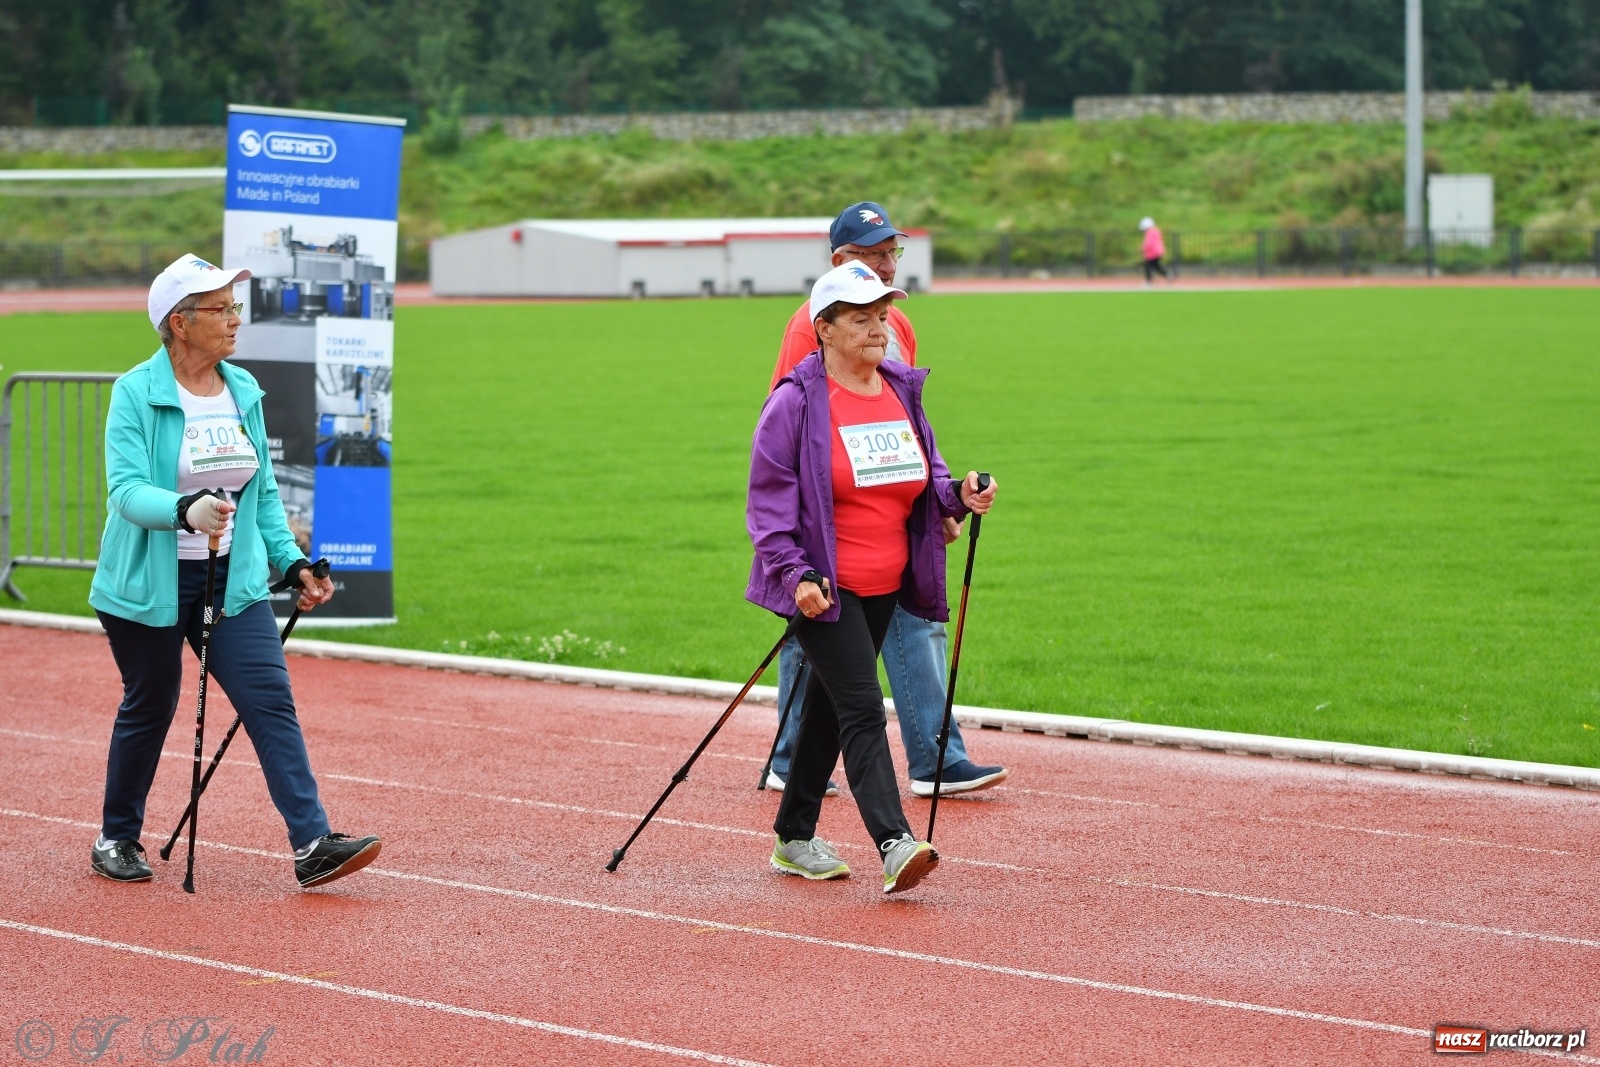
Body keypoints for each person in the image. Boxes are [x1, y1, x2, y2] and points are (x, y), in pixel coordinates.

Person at [87, 253, 380, 890]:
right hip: (148, 583)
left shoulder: (242, 389)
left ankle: (312, 844)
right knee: (153, 702)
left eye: (233, 306)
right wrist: (183, 510)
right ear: (179, 323)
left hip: (232, 581)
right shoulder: (135, 392)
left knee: (269, 700)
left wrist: (292, 561)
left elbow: (265, 493)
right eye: (220, 308)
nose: (234, 320)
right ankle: (117, 835)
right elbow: (126, 491)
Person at [747, 260, 999, 893]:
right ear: (824, 328)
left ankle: (794, 836)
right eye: (861, 319)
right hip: (823, 587)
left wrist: (958, 495)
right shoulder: (795, 404)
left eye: (882, 316)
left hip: (891, 580)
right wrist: (793, 572)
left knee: (834, 707)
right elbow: (768, 506)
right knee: (862, 705)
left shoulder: (898, 391)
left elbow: (926, 475)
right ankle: (895, 842)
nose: (878, 329)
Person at [1140, 217, 1171, 286]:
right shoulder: (1156, 231)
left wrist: (1143, 248)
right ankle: (1166, 274)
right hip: (1157, 252)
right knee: (1156, 266)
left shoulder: (1150, 232)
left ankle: (1149, 282)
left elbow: (1149, 243)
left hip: (1152, 252)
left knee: (1148, 266)